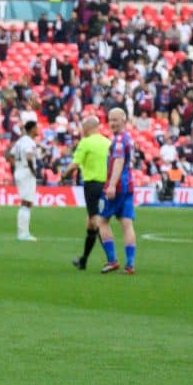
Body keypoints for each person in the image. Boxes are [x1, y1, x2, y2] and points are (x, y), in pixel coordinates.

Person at [69, 116, 116, 270]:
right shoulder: (107, 142)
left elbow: (75, 164)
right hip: (106, 185)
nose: (82, 130)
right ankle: (83, 260)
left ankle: (112, 259)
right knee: (91, 222)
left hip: (92, 185)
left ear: (88, 127)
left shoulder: (86, 142)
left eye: (83, 128)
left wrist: (63, 175)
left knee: (97, 221)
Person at [102, 107, 140, 272]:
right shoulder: (128, 137)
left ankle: (112, 260)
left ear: (124, 120)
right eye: (110, 120)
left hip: (118, 186)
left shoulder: (118, 140)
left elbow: (119, 161)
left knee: (102, 221)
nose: (112, 123)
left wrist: (111, 184)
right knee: (127, 224)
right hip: (128, 185)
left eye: (115, 120)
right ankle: (130, 264)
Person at [11, 118, 41, 241]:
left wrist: (16, 167)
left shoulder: (20, 141)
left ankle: (23, 232)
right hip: (26, 171)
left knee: (26, 202)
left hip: (19, 170)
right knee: (26, 203)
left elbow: (10, 154)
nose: (38, 130)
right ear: (32, 129)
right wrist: (33, 171)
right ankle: (23, 233)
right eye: (37, 128)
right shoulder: (30, 142)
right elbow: (29, 157)